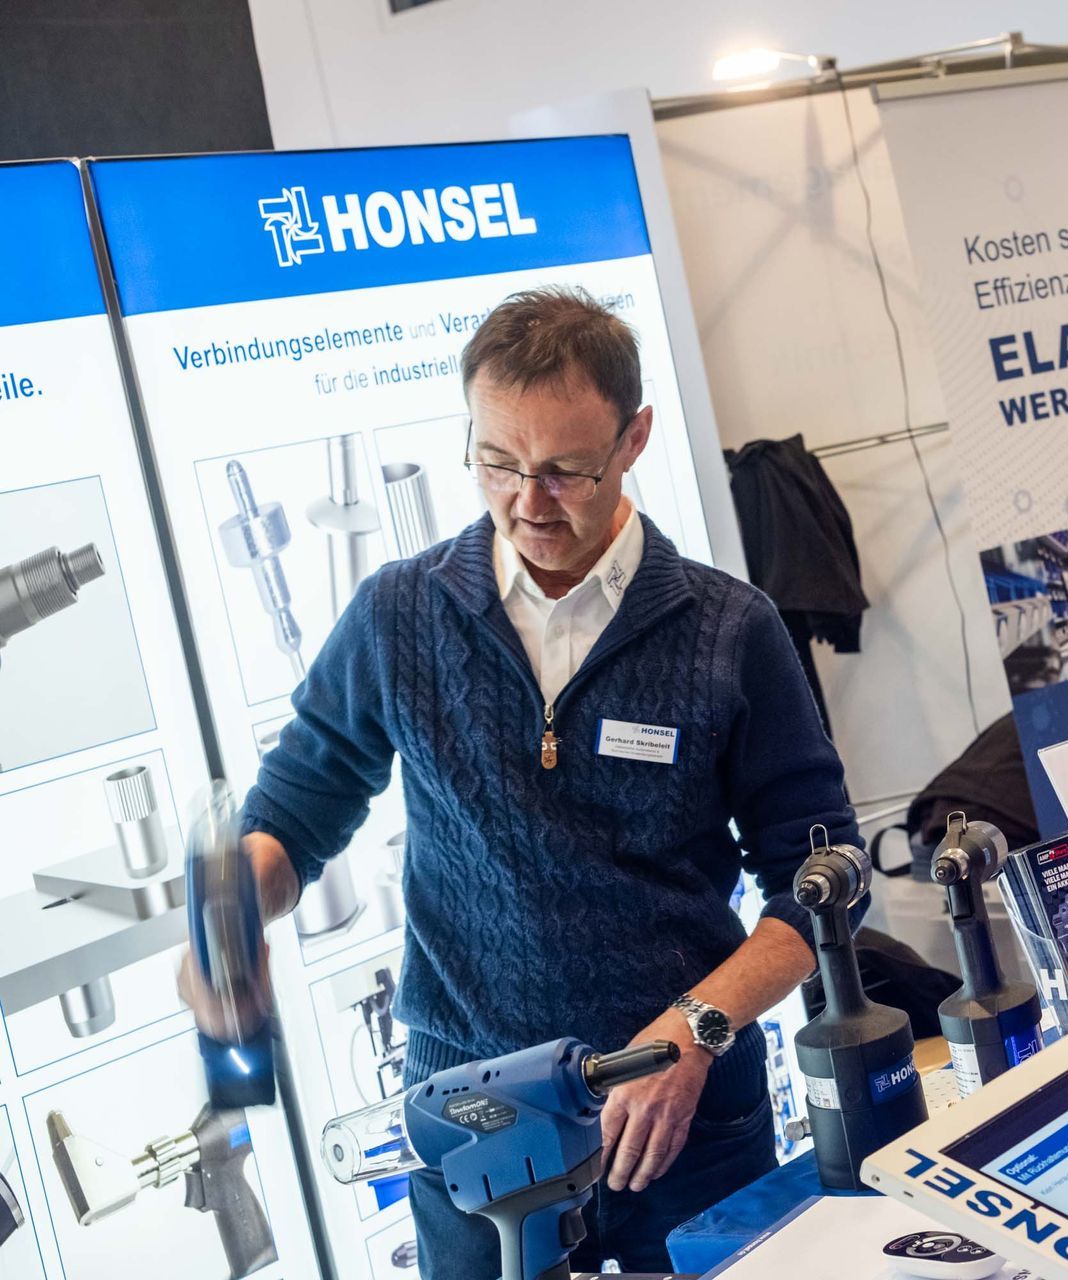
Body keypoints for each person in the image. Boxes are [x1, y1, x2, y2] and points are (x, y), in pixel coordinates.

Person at [181, 286, 858, 1275]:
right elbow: (295, 809)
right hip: (473, 1122)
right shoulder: (399, 616)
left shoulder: (730, 630)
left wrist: (695, 1031)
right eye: (497, 462)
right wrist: (235, 913)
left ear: (634, 439)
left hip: (683, 1119)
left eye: (565, 471)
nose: (528, 502)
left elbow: (823, 881)